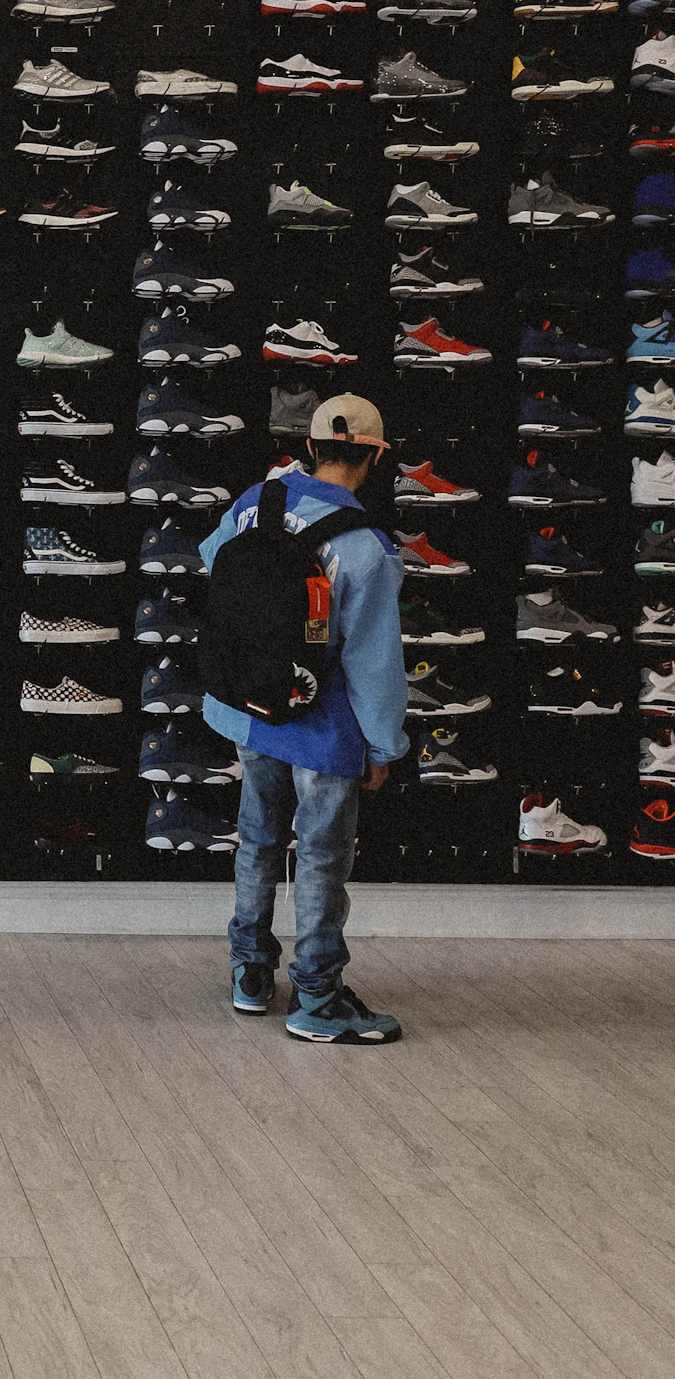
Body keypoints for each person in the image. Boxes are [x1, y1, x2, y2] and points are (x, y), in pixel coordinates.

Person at [199, 393, 409, 1044]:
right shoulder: (367, 548)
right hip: (326, 723)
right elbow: (375, 660)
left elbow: (212, 563)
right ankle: (317, 997)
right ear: (374, 455)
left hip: (254, 707)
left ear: (312, 448)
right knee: (320, 858)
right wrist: (384, 746)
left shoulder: (251, 504)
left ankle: (250, 973)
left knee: (258, 839)